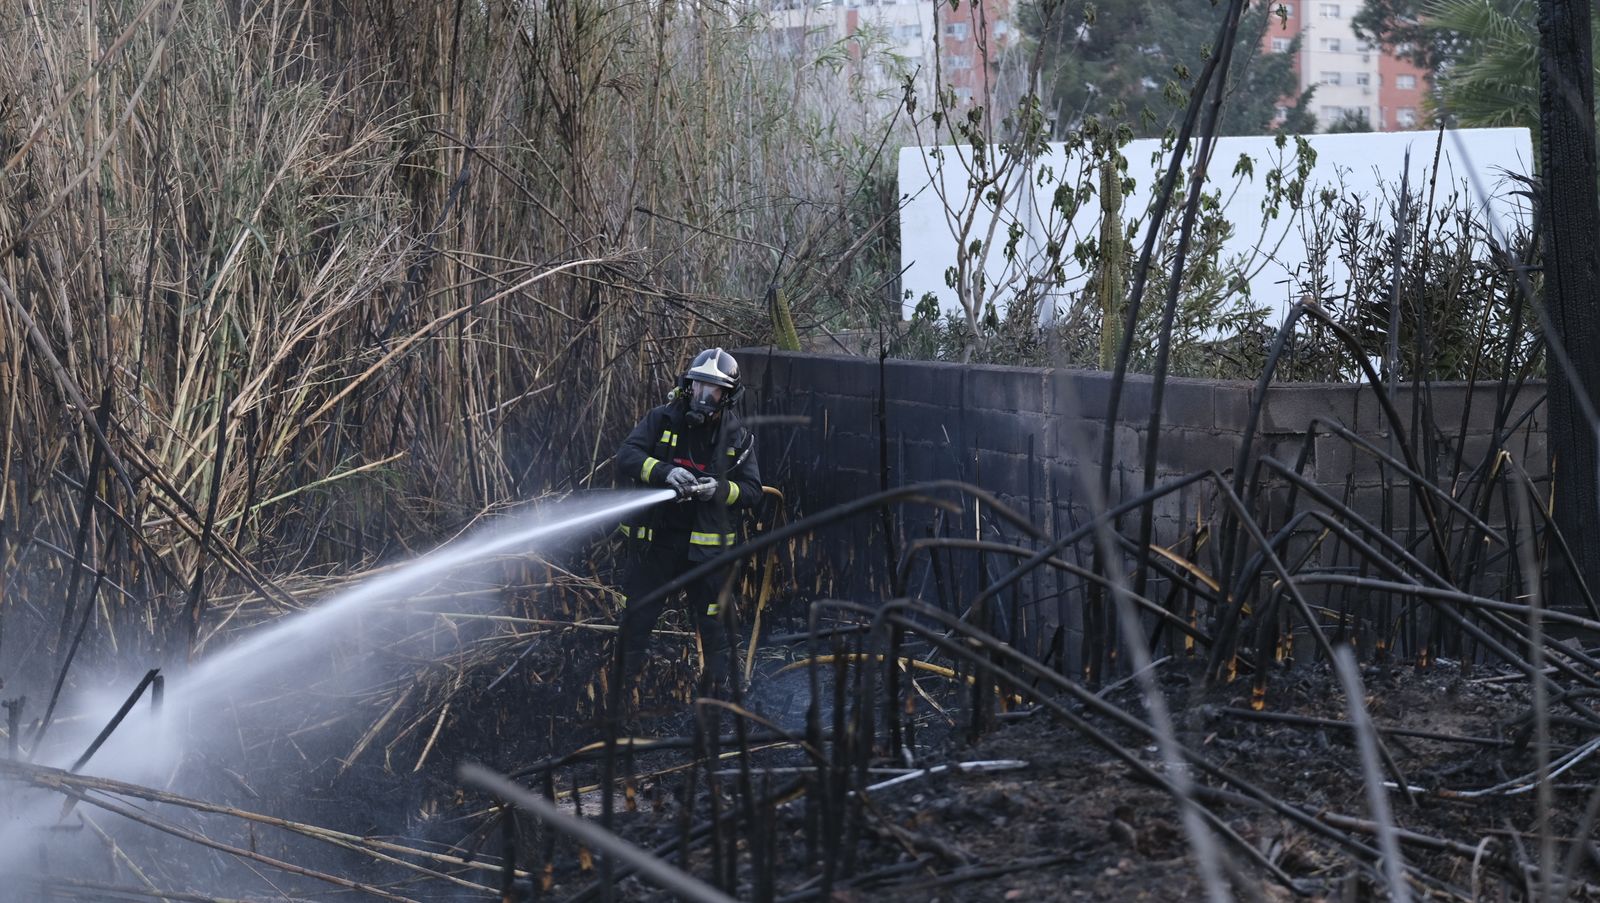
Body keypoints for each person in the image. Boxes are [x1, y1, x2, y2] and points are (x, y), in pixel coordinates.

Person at [612, 348, 762, 696]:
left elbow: (753, 491)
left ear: (728, 396)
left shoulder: (737, 438)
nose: (701, 396)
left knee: (716, 628)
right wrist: (665, 472)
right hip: (657, 544)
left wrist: (719, 489)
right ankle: (620, 700)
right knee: (636, 621)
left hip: (705, 556)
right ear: (686, 385)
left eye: (712, 390)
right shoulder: (662, 419)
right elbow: (627, 456)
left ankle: (716, 705)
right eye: (697, 386)